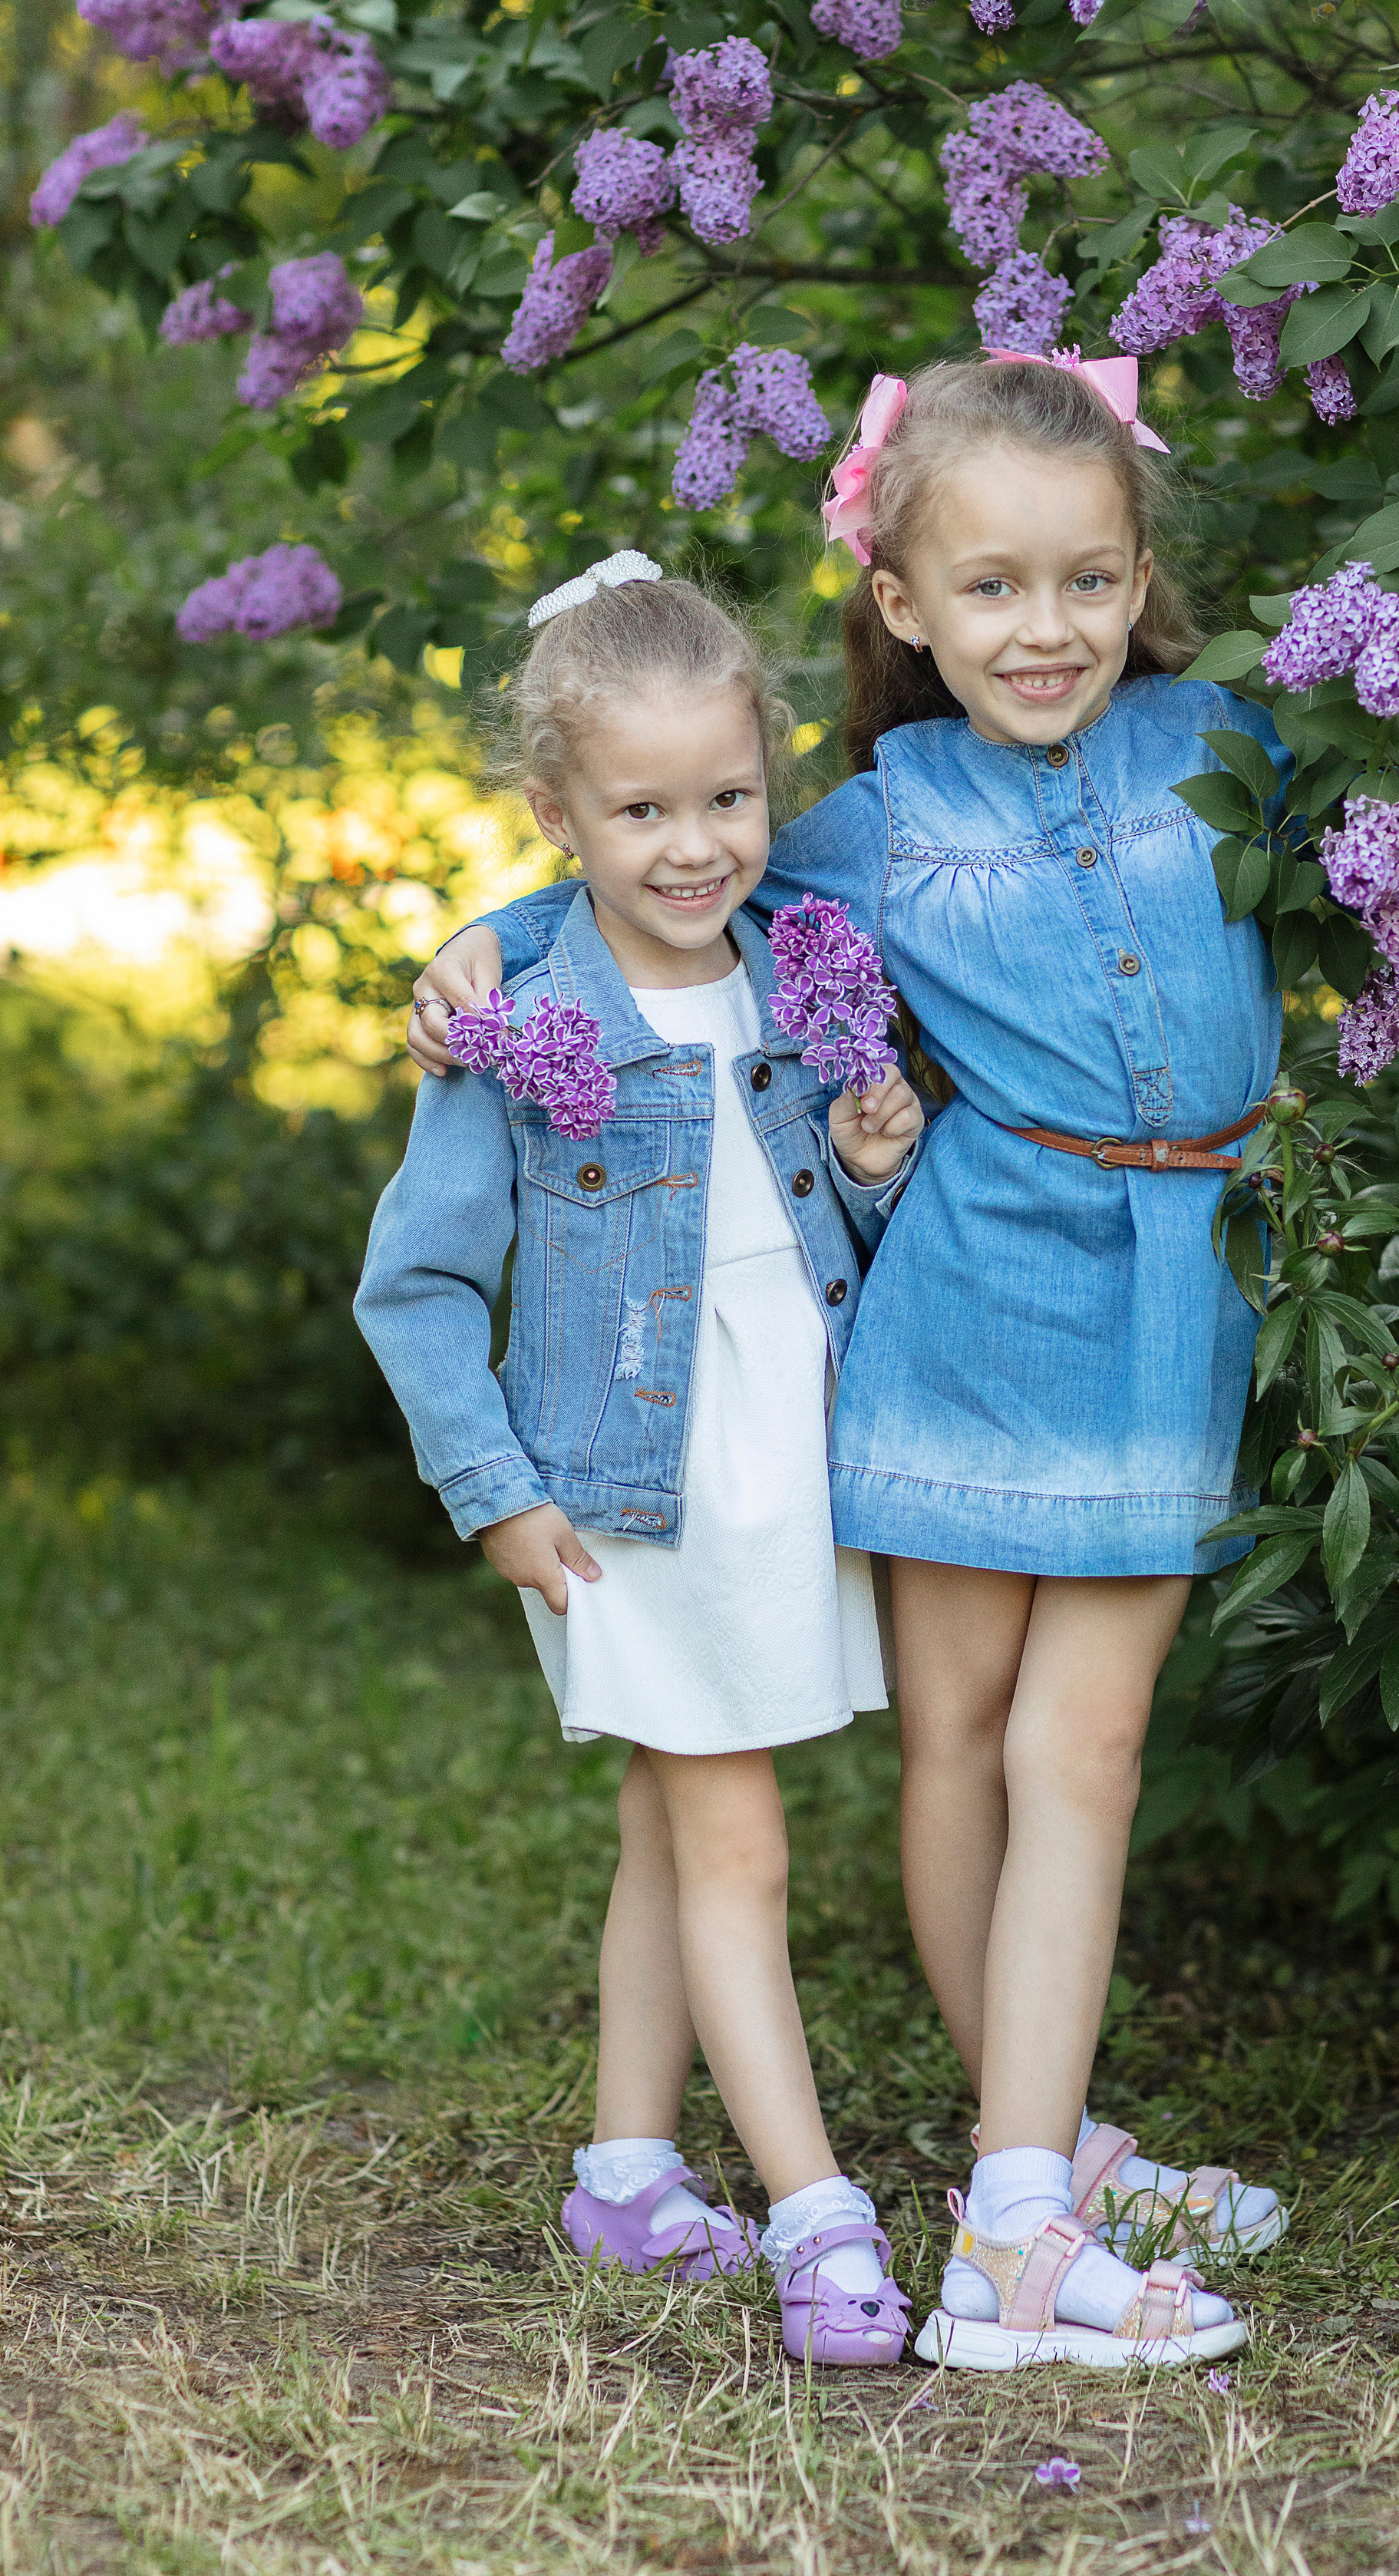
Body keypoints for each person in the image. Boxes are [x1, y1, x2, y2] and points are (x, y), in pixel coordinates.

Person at [408, 358, 1288, 2370]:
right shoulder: (870, 827)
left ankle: (1034, 2176)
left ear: (1143, 575)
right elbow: (659, 877)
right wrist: (482, 936)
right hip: (966, 1303)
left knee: (1085, 1747)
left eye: (1088, 580)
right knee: (973, 1745)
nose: (1045, 628)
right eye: (992, 587)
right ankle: (1032, 2185)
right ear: (900, 603)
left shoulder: (1225, 741)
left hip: (1171, 1301)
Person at [355, 557, 925, 2366]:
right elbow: (419, 1282)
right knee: (735, 1845)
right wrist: (492, 1489)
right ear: (559, 817)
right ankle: (818, 2218)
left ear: (770, 775)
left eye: (731, 796)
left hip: (782, 1455)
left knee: (667, 1832)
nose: (696, 845)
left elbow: (809, 1220)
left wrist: (870, 1149)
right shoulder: (519, 1020)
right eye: (642, 809)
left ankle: (622, 2173)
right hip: (623, 1481)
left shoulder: (798, 966)